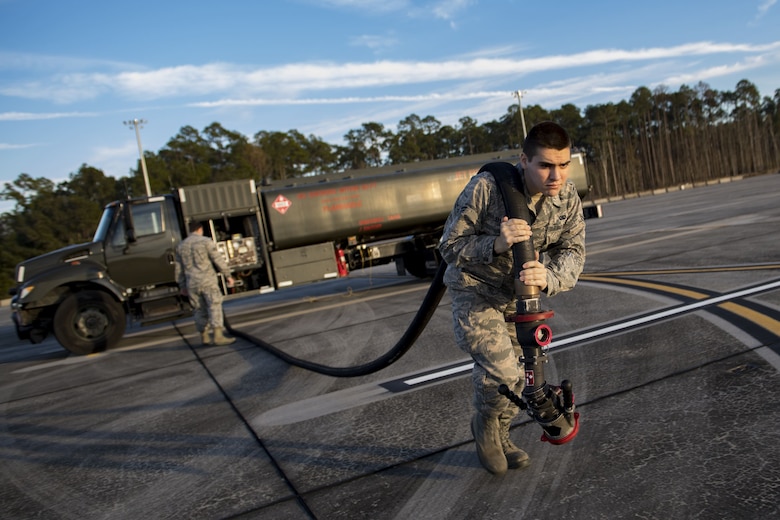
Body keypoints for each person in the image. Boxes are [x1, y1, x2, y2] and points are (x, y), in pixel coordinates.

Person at [438, 121, 586, 475]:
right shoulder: (487, 188)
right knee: (503, 370)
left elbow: (574, 252)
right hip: (476, 291)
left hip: (519, 300)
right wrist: (496, 244)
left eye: (564, 165)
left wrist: (549, 277)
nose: (556, 175)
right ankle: (487, 427)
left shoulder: (567, 198)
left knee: (525, 377)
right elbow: (448, 247)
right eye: (546, 165)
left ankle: (502, 434)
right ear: (524, 160)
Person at [175, 221, 236, 346]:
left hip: (192, 283)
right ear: (200, 229)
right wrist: (228, 275)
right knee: (214, 305)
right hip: (207, 280)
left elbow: (178, 269)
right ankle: (218, 336)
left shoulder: (181, 246)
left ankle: (204, 337)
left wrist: (182, 285)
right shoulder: (205, 242)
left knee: (198, 309)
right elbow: (217, 259)